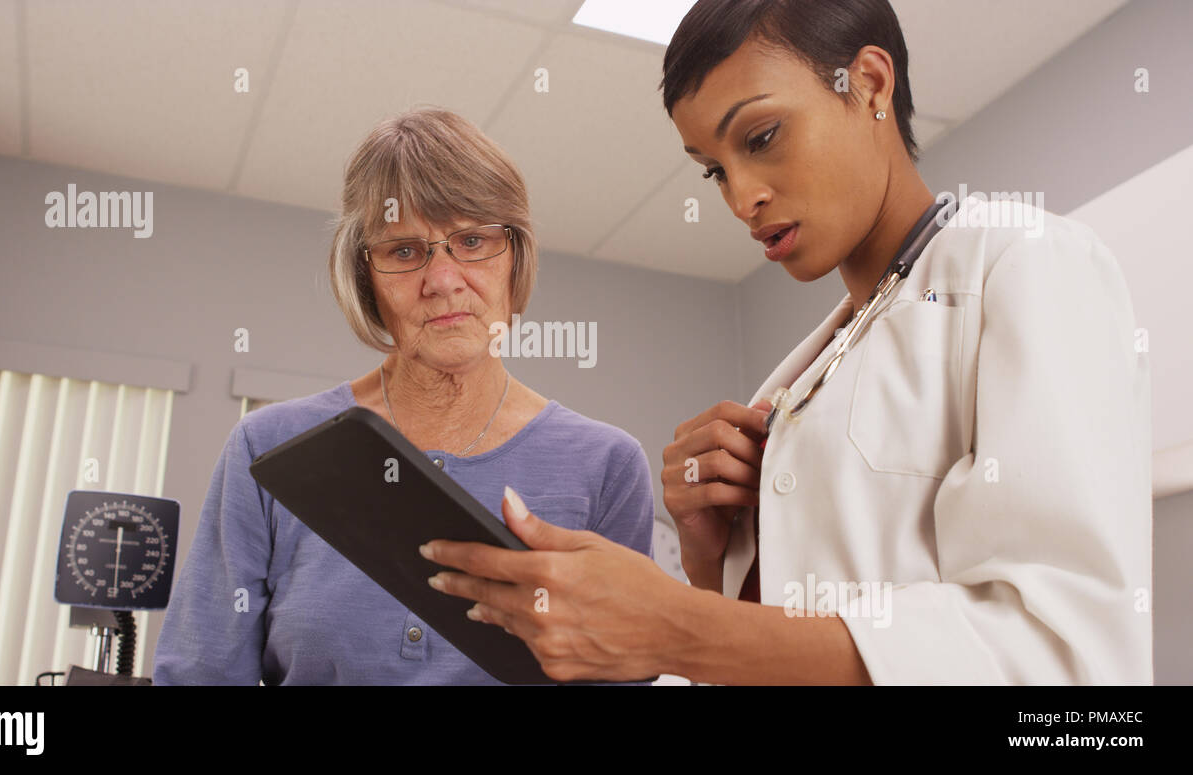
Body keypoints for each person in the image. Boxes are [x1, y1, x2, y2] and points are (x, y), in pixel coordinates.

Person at [422, 0, 1151, 684]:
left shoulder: (1025, 262)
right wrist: (711, 559)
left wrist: (678, 621)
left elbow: (1069, 672)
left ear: (868, 83)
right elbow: (778, 643)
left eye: (762, 137)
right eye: (714, 170)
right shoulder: (801, 378)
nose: (741, 198)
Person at [152, 106, 655, 685]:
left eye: (472, 240)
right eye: (405, 251)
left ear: (515, 256)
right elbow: (199, 673)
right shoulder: (269, 448)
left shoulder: (606, 466)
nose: (443, 280)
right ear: (366, 277)